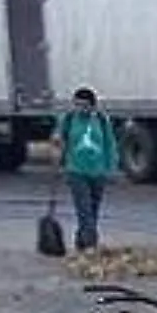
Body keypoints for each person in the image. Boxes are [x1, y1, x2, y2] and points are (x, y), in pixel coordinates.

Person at [50, 87, 117, 252]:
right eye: (77, 105)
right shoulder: (69, 119)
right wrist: (57, 149)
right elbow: (58, 139)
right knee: (84, 209)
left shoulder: (101, 120)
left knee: (93, 210)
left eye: (84, 105)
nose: (80, 109)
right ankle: (90, 245)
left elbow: (110, 145)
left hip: (98, 172)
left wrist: (111, 168)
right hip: (76, 171)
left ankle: (82, 241)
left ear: (93, 106)